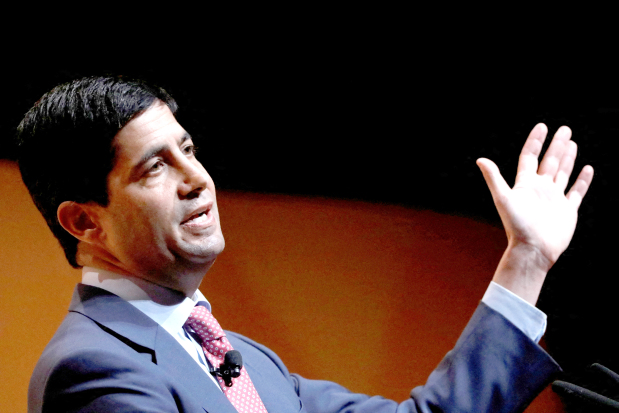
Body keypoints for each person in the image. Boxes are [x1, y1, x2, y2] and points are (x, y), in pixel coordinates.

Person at [17, 76, 594, 413]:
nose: (196, 179)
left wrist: (526, 260)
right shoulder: (93, 369)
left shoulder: (242, 359)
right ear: (84, 222)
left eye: (188, 150)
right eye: (154, 167)